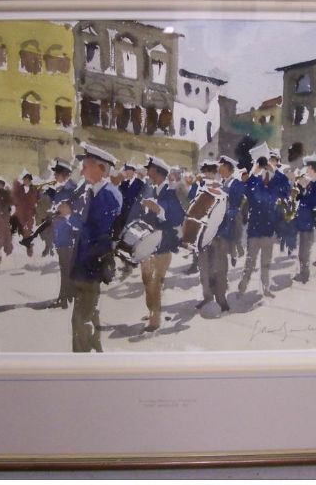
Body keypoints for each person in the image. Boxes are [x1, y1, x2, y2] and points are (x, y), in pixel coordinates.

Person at [67, 143, 121, 353]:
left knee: (81, 319)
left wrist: (71, 217)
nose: (81, 172)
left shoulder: (107, 196)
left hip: (91, 266)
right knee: (88, 313)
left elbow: (100, 236)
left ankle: (82, 361)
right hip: (85, 265)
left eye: (85, 166)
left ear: (101, 168)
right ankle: (96, 351)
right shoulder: (94, 192)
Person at [131, 156, 185, 332]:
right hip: (149, 244)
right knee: (147, 280)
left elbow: (178, 217)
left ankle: (155, 320)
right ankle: (151, 311)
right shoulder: (152, 191)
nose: (147, 173)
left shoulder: (170, 193)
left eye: (150, 170)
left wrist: (159, 211)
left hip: (163, 245)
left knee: (155, 282)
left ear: (157, 172)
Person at [237, 145, 282, 299]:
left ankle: (266, 288)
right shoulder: (255, 183)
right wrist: (254, 171)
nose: (265, 170)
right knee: (250, 263)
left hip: (268, 231)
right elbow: (246, 189)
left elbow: (282, 190)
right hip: (255, 231)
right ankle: (242, 287)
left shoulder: (274, 185)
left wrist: (273, 170)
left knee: (266, 264)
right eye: (264, 167)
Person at [193, 161, 229, 311]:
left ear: (217, 174)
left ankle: (221, 299)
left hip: (219, 237)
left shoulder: (223, 190)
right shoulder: (200, 189)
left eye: (211, 173)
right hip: (203, 237)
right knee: (204, 269)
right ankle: (207, 296)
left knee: (219, 270)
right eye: (206, 173)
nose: (208, 175)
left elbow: (229, 214)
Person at [19, 160, 76, 250]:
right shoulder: (62, 187)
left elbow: (69, 206)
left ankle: (31, 240)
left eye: (56, 174)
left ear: (63, 174)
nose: (54, 175)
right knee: (45, 223)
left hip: (67, 223)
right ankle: (30, 240)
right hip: (58, 218)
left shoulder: (70, 187)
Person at [293, 155, 316, 284]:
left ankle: (304, 275)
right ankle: (303, 273)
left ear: (312, 168)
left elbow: (314, 202)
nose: (306, 170)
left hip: (309, 222)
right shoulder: (310, 183)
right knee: (302, 251)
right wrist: (299, 188)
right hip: (302, 221)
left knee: (304, 251)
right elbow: (299, 198)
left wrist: (305, 190)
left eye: (308, 168)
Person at [50, 200, 77, 309]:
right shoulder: (60, 220)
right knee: (66, 274)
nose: (61, 207)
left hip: (65, 249)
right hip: (65, 249)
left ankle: (66, 298)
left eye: (64, 206)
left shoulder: (60, 220)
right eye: (62, 206)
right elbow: (69, 234)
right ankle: (65, 298)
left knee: (66, 274)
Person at [11, 173, 38, 257]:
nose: (25, 181)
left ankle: (28, 247)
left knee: (27, 231)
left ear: (30, 181)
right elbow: (15, 198)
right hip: (20, 212)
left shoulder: (34, 190)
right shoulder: (19, 189)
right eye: (24, 180)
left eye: (26, 180)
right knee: (18, 227)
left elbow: (36, 200)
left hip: (29, 213)